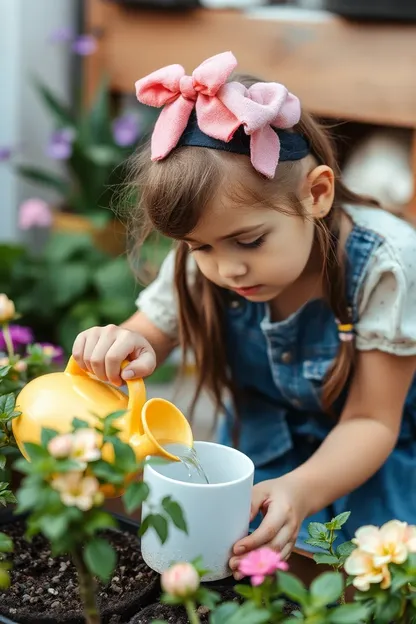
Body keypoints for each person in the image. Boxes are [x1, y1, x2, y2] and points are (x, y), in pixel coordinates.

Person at [72, 52, 416, 577]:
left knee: (352, 580)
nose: (226, 268)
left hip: (367, 461)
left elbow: (372, 420)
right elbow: (150, 333)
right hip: (260, 450)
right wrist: (127, 344)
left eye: (249, 241)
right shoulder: (206, 257)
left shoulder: (386, 265)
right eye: (199, 247)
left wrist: (300, 489)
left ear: (317, 194)